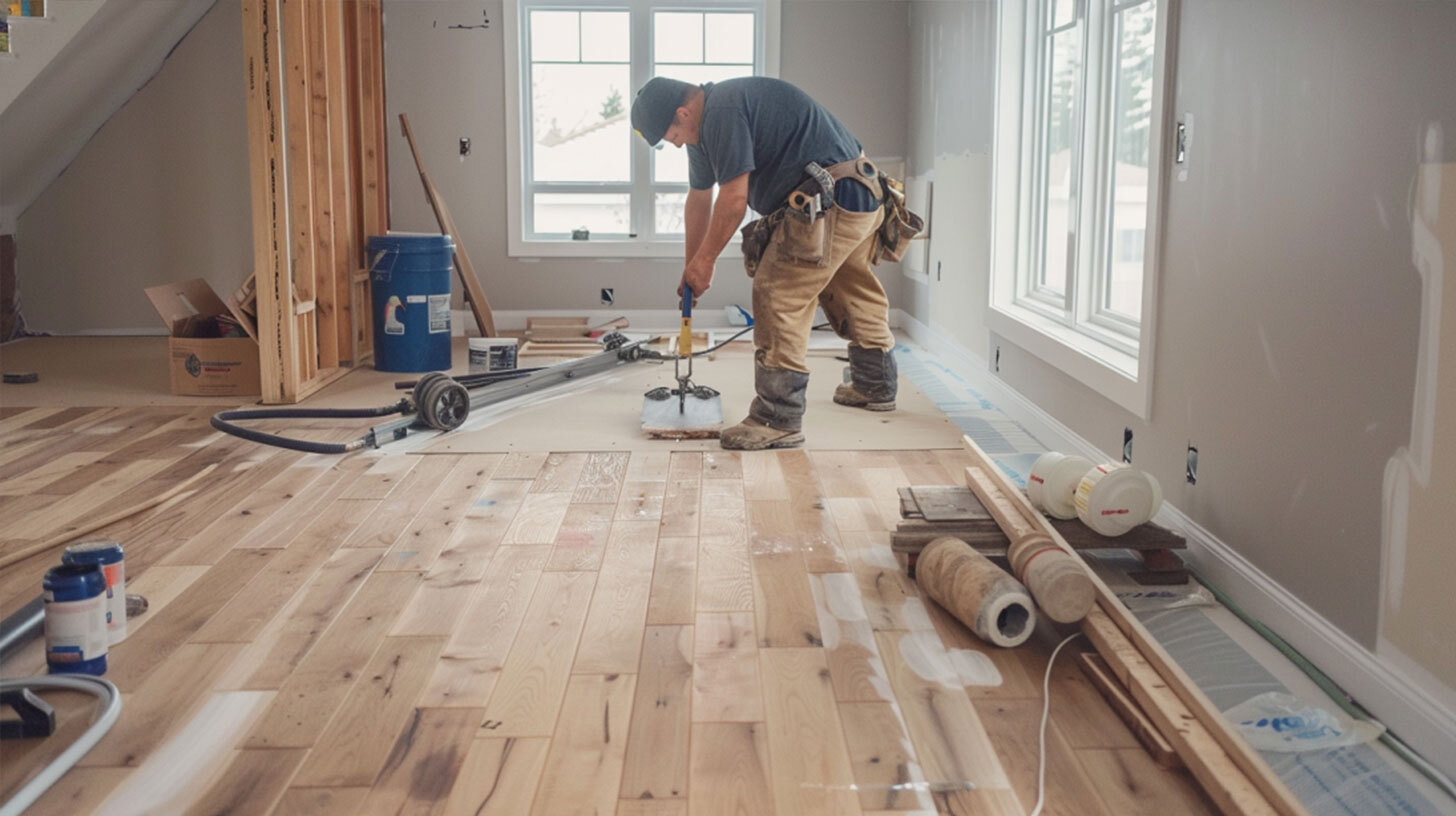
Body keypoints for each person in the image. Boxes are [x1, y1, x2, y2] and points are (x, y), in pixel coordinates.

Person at [630, 75, 900, 451]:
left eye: (670, 135)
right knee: (849, 284)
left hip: (830, 196)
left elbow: (734, 200)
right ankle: (876, 385)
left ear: (682, 112)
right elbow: (700, 199)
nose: (673, 143)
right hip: (859, 193)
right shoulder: (704, 129)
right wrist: (692, 265)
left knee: (779, 292)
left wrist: (706, 262)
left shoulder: (722, 112)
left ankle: (778, 418)